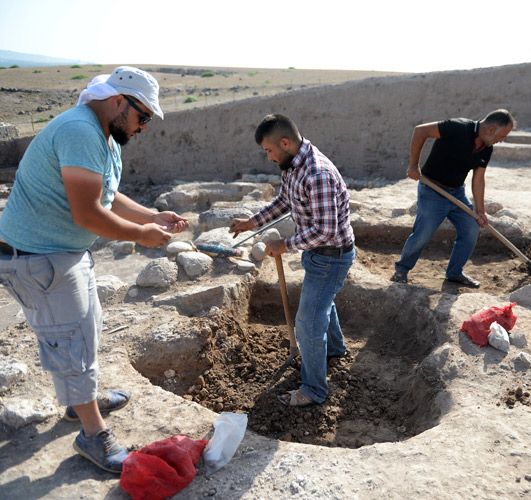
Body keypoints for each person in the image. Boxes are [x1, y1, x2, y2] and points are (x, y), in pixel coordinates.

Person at [0, 66, 188, 473]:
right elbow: (87, 212)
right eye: (143, 118)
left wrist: (152, 216)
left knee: (86, 328)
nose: (143, 129)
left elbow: (108, 194)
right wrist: (140, 235)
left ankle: (78, 403)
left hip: (62, 253)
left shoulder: (105, 134)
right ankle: (92, 435)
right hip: (36, 257)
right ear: (120, 101)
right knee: (68, 340)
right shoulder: (80, 130)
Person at [229, 114, 354, 408]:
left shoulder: (317, 173)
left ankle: (314, 390)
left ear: (285, 143)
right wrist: (252, 223)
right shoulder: (293, 165)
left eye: (269, 150)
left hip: (332, 256)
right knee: (323, 304)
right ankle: (334, 349)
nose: (268, 157)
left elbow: (326, 231)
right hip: (318, 254)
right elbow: (286, 201)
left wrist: (284, 244)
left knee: (308, 324)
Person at [391, 110, 515, 287]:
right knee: (423, 232)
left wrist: (480, 211)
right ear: (490, 129)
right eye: (502, 135)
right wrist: (413, 165)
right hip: (432, 190)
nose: (502, 140)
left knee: (471, 227)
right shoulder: (458, 128)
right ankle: (401, 270)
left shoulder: (486, 149)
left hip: (456, 193)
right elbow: (421, 131)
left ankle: (455, 273)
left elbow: (478, 179)